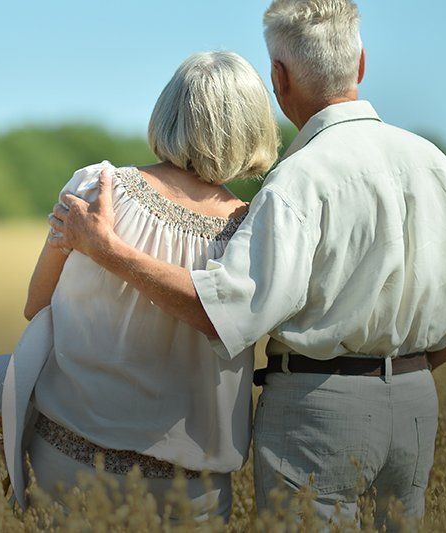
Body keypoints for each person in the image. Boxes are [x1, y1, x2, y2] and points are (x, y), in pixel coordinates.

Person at [47, 0, 446, 528]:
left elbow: (222, 312)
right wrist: (406, 371)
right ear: (360, 64)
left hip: (319, 408)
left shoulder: (299, 178)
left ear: (279, 78)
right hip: (417, 401)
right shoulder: (434, 162)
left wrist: (107, 249)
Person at [23, 51, 279, 522]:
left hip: (67, 458)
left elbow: (36, 307)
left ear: (167, 112)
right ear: (252, 128)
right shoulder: (254, 230)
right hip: (188, 489)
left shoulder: (95, 188)